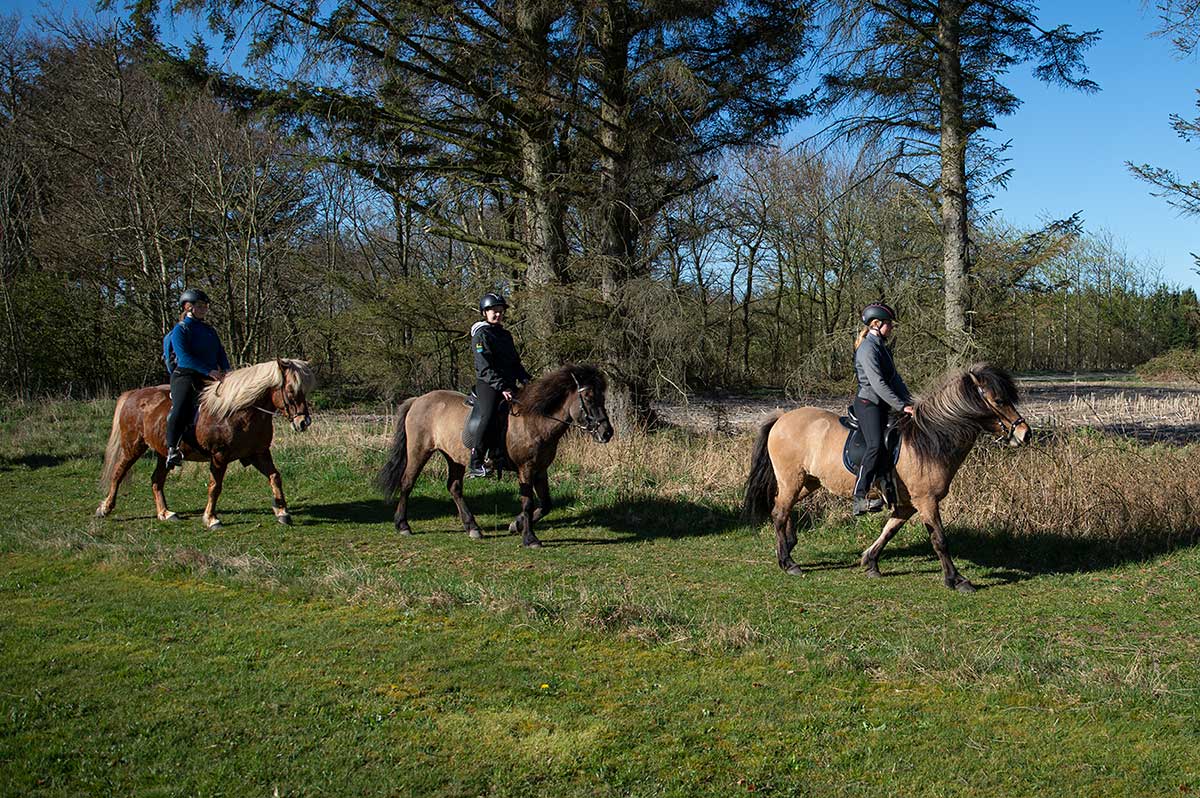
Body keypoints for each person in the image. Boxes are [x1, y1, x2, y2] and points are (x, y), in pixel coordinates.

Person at [851, 302, 914, 515]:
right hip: (869, 403)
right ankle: (860, 496)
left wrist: (911, 402)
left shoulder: (882, 348)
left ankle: (890, 488)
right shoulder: (868, 349)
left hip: (884, 403)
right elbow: (878, 384)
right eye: (889, 324)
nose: (892, 328)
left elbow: (895, 380)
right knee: (875, 445)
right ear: (876, 324)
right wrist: (900, 405)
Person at [162, 289, 230, 469]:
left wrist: (227, 371)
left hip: (210, 376)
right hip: (186, 375)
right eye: (200, 306)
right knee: (181, 406)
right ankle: (172, 448)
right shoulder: (181, 329)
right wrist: (209, 370)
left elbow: (220, 352)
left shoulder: (209, 330)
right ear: (188, 307)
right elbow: (184, 358)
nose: (204, 309)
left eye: (205, 306)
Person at [468, 292, 531, 478]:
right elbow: (483, 366)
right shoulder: (481, 334)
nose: (498, 314)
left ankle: (501, 455)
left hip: (508, 384)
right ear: (484, 313)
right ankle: (476, 461)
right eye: (494, 311)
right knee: (489, 415)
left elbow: (514, 362)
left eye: (500, 311)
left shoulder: (505, 335)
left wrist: (526, 379)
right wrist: (501, 386)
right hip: (488, 384)